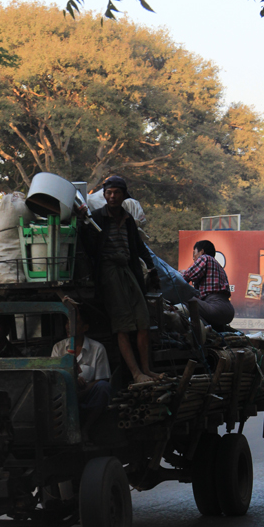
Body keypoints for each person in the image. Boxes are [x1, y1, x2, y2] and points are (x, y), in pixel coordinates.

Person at [79, 175, 161, 383]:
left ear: (124, 195)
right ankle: (136, 373)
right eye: (109, 193)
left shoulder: (128, 220)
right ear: (105, 195)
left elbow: (139, 247)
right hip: (109, 273)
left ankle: (146, 369)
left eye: (116, 192)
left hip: (128, 271)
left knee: (143, 321)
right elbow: (88, 246)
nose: (112, 196)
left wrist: (151, 268)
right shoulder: (96, 217)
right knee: (122, 324)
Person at [51, 304, 112, 433]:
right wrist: (72, 380)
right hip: (64, 396)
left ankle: (85, 430)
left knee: (103, 388)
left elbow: (102, 379)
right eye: (67, 322)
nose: (69, 326)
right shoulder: (58, 348)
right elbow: (55, 377)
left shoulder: (97, 349)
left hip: (87, 396)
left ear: (85, 328)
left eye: (75, 322)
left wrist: (81, 391)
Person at [180, 239, 235, 327]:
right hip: (227, 310)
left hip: (214, 306)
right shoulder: (219, 267)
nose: (193, 258)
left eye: (194, 253)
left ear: (201, 252)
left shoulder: (205, 258)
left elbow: (185, 277)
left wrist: (179, 274)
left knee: (181, 297)